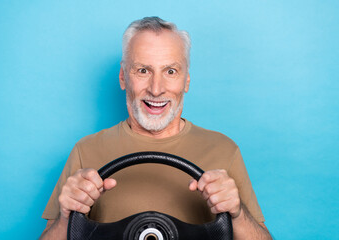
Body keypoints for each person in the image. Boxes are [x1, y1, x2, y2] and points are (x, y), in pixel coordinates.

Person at [40, 17, 272, 239]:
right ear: (123, 77)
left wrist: (238, 214)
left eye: (170, 71)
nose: (156, 89)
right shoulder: (86, 151)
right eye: (143, 70)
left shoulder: (224, 151)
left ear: (186, 81)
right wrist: (65, 217)